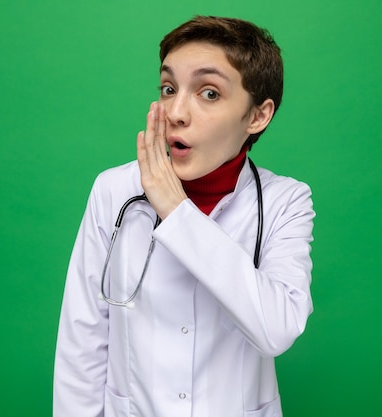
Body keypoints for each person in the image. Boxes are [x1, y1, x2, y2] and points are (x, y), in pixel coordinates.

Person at [53, 15, 315, 417]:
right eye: (169, 88)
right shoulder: (114, 191)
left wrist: (176, 210)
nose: (175, 111)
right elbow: (83, 338)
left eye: (208, 93)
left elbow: (276, 330)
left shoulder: (286, 201)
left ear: (257, 116)